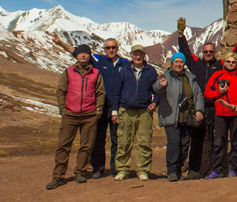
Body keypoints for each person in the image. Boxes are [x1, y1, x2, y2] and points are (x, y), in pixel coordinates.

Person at [50, 32, 129, 178]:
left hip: (117, 106)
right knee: (97, 139)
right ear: (104, 49)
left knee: (117, 139)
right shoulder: (99, 60)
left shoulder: (125, 63)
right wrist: (61, 43)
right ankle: (97, 168)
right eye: (108, 47)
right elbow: (78, 52)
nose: (110, 50)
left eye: (113, 47)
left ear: (117, 48)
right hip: (100, 106)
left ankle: (115, 168)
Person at [176, 17, 237, 179]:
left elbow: (233, 56)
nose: (207, 54)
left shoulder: (220, 65)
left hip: (215, 107)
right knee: (197, 140)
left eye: (210, 52)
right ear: (202, 52)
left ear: (214, 53)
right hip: (199, 107)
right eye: (205, 52)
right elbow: (185, 51)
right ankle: (194, 170)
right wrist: (180, 34)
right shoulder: (195, 64)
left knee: (217, 139)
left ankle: (216, 169)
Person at [46, 44, 105, 190]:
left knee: (87, 145)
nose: (83, 55)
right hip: (70, 114)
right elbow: (61, 91)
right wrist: (63, 109)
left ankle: (80, 172)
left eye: (86, 53)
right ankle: (58, 176)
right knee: (64, 145)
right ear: (76, 56)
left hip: (89, 114)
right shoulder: (68, 72)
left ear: (89, 56)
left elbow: (100, 92)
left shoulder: (96, 73)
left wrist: (98, 110)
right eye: (80, 53)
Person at [153, 52, 205, 182]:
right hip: (171, 117)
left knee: (184, 145)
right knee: (174, 143)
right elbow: (156, 88)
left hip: (187, 117)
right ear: (172, 63)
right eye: (176, 62)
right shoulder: (166, 76)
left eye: (181, 62)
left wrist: (199, 110)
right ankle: (171, 171)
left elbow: (198, 95)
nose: (179, 64)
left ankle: (178, 170)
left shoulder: (190, 77)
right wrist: (162, 85)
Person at [111, 44, 158, 181]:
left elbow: (158, 90)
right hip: (126, 110)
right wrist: (115, 111)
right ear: (131, 55)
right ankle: (123, 169)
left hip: (144, 112)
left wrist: (155, 102)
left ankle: (143, 170)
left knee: (144, 142)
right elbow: (116, 92)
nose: (138, 57)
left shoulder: (151, 71)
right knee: (124, 142)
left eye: (140, 54)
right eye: (135, 54)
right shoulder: (124, 70)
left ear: (144, 56)